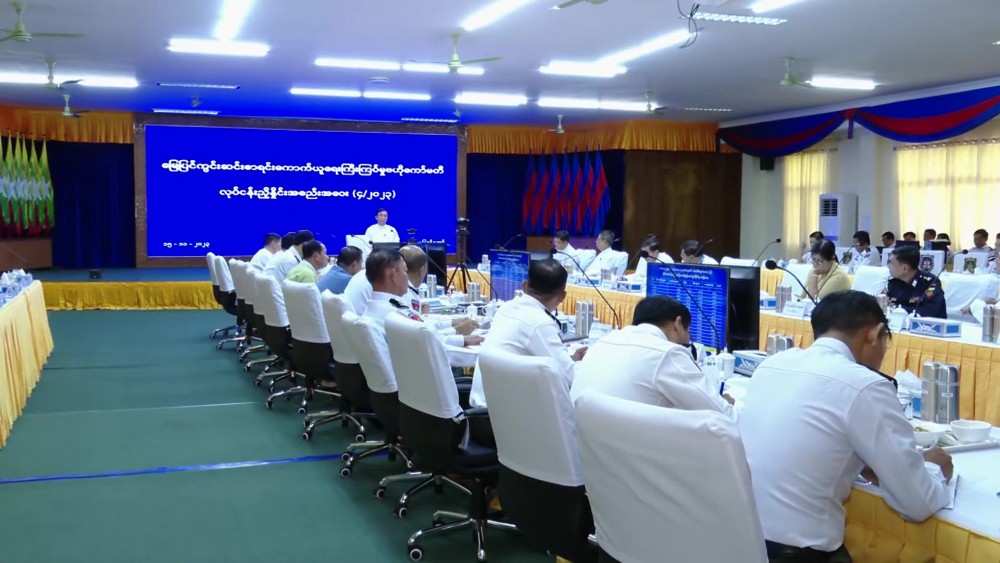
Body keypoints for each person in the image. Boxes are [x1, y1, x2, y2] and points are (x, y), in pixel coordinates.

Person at [738, 291, 952, 562]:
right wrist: (934, 468)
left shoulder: (772, 365)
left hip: (742, 543)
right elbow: (918, 502)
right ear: (875, 334)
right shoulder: (865, 385)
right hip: (803, 556)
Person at [570, 295, 734, 417]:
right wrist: (727, 402)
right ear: (677, 324)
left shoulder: (603, 342)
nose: (688, 338)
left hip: (586, 447)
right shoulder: (667, 353)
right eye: (688, 330)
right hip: (634, 448)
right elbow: (722, 415)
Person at [470, 259, 587, 408]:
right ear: (562, 296)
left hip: (490, 406)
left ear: (524, 285)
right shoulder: (540, 323)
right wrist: (591, 362)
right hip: (511, 412)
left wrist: (569, 359)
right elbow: (571, 377)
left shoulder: (506, 308)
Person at [399, 244, 482, 345]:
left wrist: (452, 323)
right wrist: (457, 331)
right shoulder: (405, 296)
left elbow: (423, 327)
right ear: (422, 270)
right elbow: (423, 336)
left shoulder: (406, 292)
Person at [885, 246, 947, 318]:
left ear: (904, 268)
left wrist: (900, 310)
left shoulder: (930, 282)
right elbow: (889, 305)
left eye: (891, 263)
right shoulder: (894, 282)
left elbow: (929, 311)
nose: (888, 266)